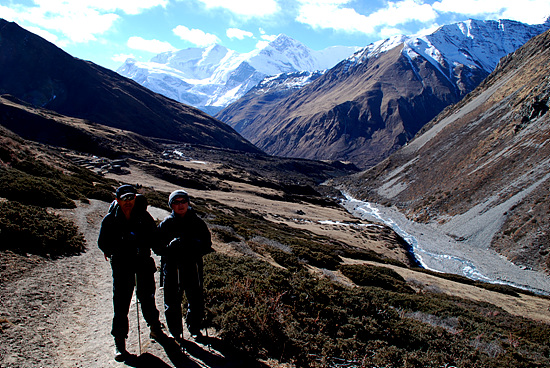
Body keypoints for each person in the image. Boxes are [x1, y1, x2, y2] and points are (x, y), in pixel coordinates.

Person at [97, 184, 166, 361]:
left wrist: (165, 250)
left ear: (135, 198)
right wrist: (121, 245)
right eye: (123, 199)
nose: (128, 202)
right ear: (117, 200)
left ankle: (155, 329)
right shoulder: (110, 219)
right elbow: (103, 243)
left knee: (148, 298)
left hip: (142, 263)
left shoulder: (144, 216)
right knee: (121, 304)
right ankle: (119, 343)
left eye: (130, 198)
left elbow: (155, 238)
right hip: (122, 266)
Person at [157, 189, 213, 345]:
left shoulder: (197, 222)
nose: (180, 205)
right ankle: (176, 333)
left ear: (188, 203)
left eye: (183, 201)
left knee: (195, 300)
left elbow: (207, 245)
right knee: (172, 301)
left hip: (192, 266)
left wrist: (196, 246)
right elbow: (156, 246)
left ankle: (194, 329)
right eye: (176, 202)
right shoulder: (166, 224)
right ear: (171, 205)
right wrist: (169, 247)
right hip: (172, 267)